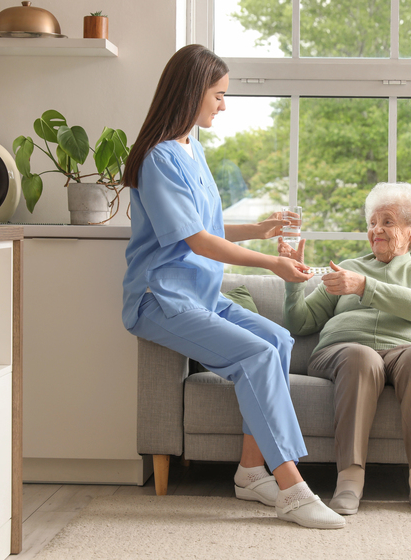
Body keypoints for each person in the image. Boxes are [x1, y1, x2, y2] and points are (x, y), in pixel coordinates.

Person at [121, 44, 345, 530]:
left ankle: (249, 472)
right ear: (192, 92)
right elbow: (198, 242)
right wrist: (272, 264)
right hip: (159, 299)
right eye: (218, 95)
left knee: (278, 340)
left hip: (197, 295)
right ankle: (292, 486)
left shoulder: (190, 147)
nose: (224, 104)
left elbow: (208, 226)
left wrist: (258, 229)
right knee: (257, 355)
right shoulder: (159, 157)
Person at [279, 182, 411, 516]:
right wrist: (291, 283)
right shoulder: (349, 266)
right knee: (361, 356)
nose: (376, 230)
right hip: (344, 352)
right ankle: (350, 479)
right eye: (372, 223)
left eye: (387, 222)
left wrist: (365, 287)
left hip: (407, 349)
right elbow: (300, 323)